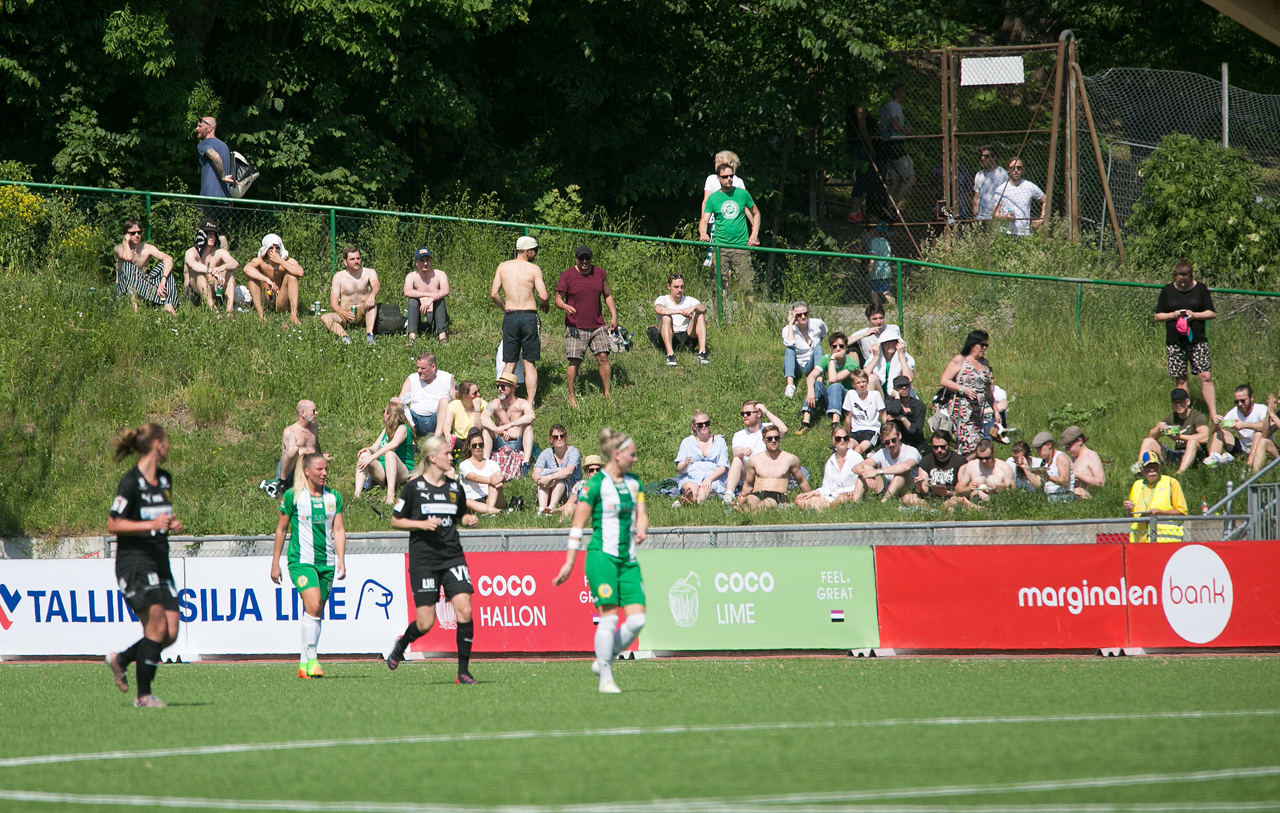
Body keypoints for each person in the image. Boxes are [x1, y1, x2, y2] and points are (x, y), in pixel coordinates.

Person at [553, 427, 648, 693]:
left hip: (628, 561)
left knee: (637, 621)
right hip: (602, 558)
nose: (635, 459)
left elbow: (641, 513)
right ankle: (606, 678)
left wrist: (642, 527)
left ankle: (604, 657)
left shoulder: (635, 483)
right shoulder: (595, 485)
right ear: (617, 455)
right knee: (608, 620)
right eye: (632, 454)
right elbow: (577, 525)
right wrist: (569, 562)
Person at [386, 435, 480, 684]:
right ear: (432, 458)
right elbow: (395, 521)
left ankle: (463, 672)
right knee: (426, 622)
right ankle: (402, 644)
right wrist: (421, 524)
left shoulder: (454, 487)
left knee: (465, 609)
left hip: (453, 557)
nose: (451, 456)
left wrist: (467, 519)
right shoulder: (413, 488)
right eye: (446, 453)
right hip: (424, 561)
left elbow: (460, 515)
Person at [105, 423, 182, 707]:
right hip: (135, 562)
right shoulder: (131, 482)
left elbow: (159, 517)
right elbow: (114, 523)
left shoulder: (165, 479)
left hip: (161, 562)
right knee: (156, 628)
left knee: (169, 633)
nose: (169, 447)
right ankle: (143, 695)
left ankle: (122, 659)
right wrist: (150, 524)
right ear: (157, 444)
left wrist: (170, 524)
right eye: (167, 442)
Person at [271, 453, 346, 679]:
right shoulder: (293, 496)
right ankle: (313, 661)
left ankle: (303, 664)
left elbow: (339, 529)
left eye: (325, 469)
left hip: (327, 562)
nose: (324, 473)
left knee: (316, 611)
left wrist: (341, 559)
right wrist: (275, 562)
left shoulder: (333, 497)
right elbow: (281, 529)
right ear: (306, 471)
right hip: (301, 561)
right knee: (313, 604)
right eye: (319, 469)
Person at [1155, 260, 1218, 422]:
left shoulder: (1201, 289)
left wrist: (1194, 315)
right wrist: (1173, 315)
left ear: (1191, 277)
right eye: (1180, 282)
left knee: (1205, 375)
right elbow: (1157, 316)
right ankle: (1184, 417)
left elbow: (1212, 313)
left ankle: (1213, 414)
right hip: (1175, 342)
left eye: (1186, 281)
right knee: (1181, 379)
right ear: (1174, 277)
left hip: (1197, 341)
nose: (1183, 285)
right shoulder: (1167, 290)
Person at [556, 245, 618, 407]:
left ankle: (608, 393)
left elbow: (608, 295)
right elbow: (558, 299)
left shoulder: (600, 273)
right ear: (576, 259)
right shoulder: (567, 275)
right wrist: (565, 306)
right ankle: (571, 396)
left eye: (587, 258)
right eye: (581, 258)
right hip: (575, 326)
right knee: (575, 361)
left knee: (603, 357)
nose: (584, 261)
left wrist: (614, 316)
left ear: (591, 258)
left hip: (597, 324)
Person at [491, 235, 550, 405]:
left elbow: (494, 294)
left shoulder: (503, 267)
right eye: (535, 251)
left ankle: (503, 401)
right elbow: (544, 295)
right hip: (529, 316)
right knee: (529, 362)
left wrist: (505, 308)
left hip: (511, 317)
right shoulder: (534, 269)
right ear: (527, 251)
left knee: (510, 362)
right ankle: (530, 402)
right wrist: (544, 304)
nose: (536, 254)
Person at [699, 162, 761, 300]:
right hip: (720, 247)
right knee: (717, 286)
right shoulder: (713, 198)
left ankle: (747, 315)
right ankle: (718, 314)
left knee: (746, 285)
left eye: (731, 176)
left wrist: (754, 234)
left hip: (741, 247)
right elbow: (704, 220)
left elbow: (756, 213)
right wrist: (703, 233)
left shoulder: (742, 194)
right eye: (725, 176)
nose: (729, 179)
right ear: (718, 178)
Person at [940, 329, 993, 456]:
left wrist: (995, 410)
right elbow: (944, 380)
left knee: (979, 441)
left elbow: (988, 391)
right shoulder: (960, 360)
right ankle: (962, 465)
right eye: (981, 345)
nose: (984, 348)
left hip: (978, 413)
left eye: (986, 345)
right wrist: (963, 389)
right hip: (963, 413)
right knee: (968, 444)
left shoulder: (984, 363)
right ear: (972, 344)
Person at [724, 400, 788, 503]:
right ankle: (729, 494)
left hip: (766, 473)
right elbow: (736, 452)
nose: (745, 416)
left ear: (758, 414)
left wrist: (765, 411)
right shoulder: (739, 435)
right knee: (736, 460)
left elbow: (784, 430)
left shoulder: (768, 430)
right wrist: (742, 452)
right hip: (747, 474)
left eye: (748, 413)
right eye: (743, 414)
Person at [354, 397, 415, 505]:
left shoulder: (403, 428)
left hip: (402, 472)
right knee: (364, 455)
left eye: (384, 412)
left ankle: (390, 495)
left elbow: (393, 445)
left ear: (389, 415)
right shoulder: (387, 429)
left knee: (389, 454)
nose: (383, 414)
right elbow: (375, 447)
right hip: (384, 472)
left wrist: (372, 457)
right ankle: (357, 495)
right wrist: (368, 450)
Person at [1137, 388, 1210, 475]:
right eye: (1175, 402)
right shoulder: (1172, 417)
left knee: (1192, 442)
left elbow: (1205, 437)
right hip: (1178, 453)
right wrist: (1158, 428)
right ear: (1172, 405)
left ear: (1188, 402)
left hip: (1197, 454)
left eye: (1181, 402)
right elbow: (1151, 436)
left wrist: (1180, 437)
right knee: (1148, 441)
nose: (1178, 405)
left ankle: (1180, 474)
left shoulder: (1197, 416)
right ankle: (1140, 470)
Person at [737, 425, 809, 512]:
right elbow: (748, 484)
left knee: (767, 503)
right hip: (758, 493)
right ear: (764, 441)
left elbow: (801, 482)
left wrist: (811, 498)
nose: (773, 441)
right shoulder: (754, 460)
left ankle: (746, 512)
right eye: (769, 438)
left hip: (777, 495)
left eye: (776, 438)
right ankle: (746, 509)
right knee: (750, 499)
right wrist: (743, 496)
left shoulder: (790, 459)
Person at [114, 220, 178, 315]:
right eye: (133, 233)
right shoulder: (119, 249)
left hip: (143, 287)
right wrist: (126, 243)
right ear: (126, 234)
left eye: (139, 232)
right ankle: (134, 308)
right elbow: (128, 258)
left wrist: (163, 279)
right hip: (124, 288)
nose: (137, 235)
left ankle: (168, 303)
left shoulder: (147, 248)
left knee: (164, 265)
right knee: (128, 265)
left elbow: (168, 259)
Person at [320, 246, 380, 346]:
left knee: (371, 303)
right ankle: (345, 337)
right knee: (325, 317)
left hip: (363, 311)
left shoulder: (369, 272)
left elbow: (376, 285)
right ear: (345, 262)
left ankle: (369, 335)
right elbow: (333, 303)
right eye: (352, 259)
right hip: (345, 313)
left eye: (358, 258)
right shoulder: (339, 277)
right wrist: (344, 312)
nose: (356, 261)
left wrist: (372, 295)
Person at [801, 331, 860, 433]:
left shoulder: (852, 364)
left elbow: (833, 379)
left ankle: (835, 423)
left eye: (841, 346)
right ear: (830, 348)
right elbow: (811, 376)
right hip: (831, 397)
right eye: (834, 346)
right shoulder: (825, 359)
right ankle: (805, 423)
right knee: (816, 384)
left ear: (846, 347)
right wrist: (810, 390)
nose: (838, 349)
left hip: (846, 399)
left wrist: (832, 359)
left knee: (835, 385)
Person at [1125, 451, 1188, 543]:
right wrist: (1129, 509)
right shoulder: (1137, 485)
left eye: (1155, 467)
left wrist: (1160, 512)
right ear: (1141, 469)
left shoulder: (1171, 482)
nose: (1152, 470)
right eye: (1148, 467)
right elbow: (1130, 516)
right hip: (1140, 541)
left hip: (1166, 540)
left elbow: (1182, 511)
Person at [1211, 384, 1277, 471]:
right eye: (1237, 402)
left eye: (1243, 401)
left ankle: (1248, 469)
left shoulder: (1261, 409)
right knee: (1219, 433)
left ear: (1251, 398)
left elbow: (1265, 427)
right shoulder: (1235, 411)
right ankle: (1212, 463)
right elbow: (1214, 430)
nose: (1240, 404)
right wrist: (1216, 424)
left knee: (1258, 433)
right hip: (1245, 448)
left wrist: (1244, 425)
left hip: (1262, 447)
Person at [796, 427, 865, 510]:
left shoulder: (856, 458)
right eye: (838, 438)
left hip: (849, 496)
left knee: (841, 500)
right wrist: (813, 493)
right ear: (833, 441)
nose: (842, 440)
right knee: (800, 499)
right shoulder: (830, 461)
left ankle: (822, 510)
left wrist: (851, 492)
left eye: (845, 438)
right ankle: (826, 509)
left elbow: (862, 482)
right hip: (832, 497)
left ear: (848, 440)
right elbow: (827, 488)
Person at [700, 150, 749, 267]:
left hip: (717, 223)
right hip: (731, 224)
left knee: (718, 257)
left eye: (716, 161)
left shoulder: (713, 179)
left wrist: (703, 223)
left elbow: (705, 201)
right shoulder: (738, 181)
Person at [242, 233, 304, 325]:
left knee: (292, 275)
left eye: (277, 247)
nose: (274, 250)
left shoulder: (287, 261)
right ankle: (261, 315)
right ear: (266, 249)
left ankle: (294, 316)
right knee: (252, 277)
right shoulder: (260, 261)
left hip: (280, 300)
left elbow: (300, 272)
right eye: (271, 248)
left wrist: (280, 261)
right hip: (265, 298)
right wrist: (266, 279)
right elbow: (247, 269)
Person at [481, 372, 536, 471]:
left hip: (518, 441)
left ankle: (525, 463)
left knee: (528, 426)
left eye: (503, 386)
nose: (499, 389)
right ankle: (485, 462)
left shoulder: (522, 403)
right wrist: (497, 429)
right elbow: (483, 417)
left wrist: (509, 425)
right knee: (486, 429)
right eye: (498, 386)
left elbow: (531, 416)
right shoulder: (495, 403)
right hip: (499, 440)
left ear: (513, 388)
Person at [650, 274, 709, 365]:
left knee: (699, 315)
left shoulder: (689, 300)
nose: (679, 290)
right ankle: (670, 355)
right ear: (669, 287)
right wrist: (679, 312)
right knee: (666, 317)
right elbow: (659, 309)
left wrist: (694, 308)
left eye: (682, 287)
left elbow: (703, 309)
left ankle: (702, 353)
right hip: (670, 336)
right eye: (676, 287)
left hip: (686, 335)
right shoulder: (662, 299)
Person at [182, 219, 239, 314]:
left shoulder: (219, 252)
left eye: (214, 234)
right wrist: (212, 271)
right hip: (194, 293)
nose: (212, 237)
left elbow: (234, 263)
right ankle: (214, 311)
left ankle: (229, 311)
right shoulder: (192, 252)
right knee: (200, 275)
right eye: (209, 234)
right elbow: (193, 264)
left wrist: (222, 267)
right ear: (201, 235)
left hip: (214, 289)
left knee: (230, 273)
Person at [855, 421, 921, 502]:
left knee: (901, 472)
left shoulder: (910, 451)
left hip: (908, 489)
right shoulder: (883, 452)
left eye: (893, 440)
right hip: (889, 488)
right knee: (866, 468)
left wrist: (877, 472)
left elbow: (906, 466)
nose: (891, 444)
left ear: (899, 435)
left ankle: (885, 502)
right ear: (882, 441)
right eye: (887, 442)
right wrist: (866, 475)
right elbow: (856, 467)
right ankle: (855, 503)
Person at [906, 429, 971, 509]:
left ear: (949, 445)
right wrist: (918, 485)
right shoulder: (926, 461)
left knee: (957, 500)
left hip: (950, 497)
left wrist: (947, 493)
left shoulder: (960, 461)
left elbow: (962, 491)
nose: (939, 450)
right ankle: (931, 509)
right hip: (930, 499)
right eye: (935, 447)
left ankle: (936, 509)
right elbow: (924, 492)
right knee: (907, 498)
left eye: (942, 447)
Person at [674, 410, 729, 504]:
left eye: (706, 423)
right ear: (694, 427)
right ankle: (692, 497)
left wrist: (709, 479)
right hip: (692, 476)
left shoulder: (719, 441)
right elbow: (680, 470)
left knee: (704, 490)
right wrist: (685, 464)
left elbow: (722, 467)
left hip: (713, 477)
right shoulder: (687, 442)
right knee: (690, 486)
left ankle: (694, 501)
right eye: (700, 425)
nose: (704, 426)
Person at [399, 352, 454, 438]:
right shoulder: (412, 379)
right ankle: (406, 439)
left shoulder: (447, 379)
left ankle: (436, 439)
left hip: (437, 419)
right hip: (414, 420)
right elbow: (399, 401)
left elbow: (458, 402)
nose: (419, 371)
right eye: (418, 367)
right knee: (396, 408)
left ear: (433, 367)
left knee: (444, 401)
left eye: (423, 368)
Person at [879, 83, 914, 215]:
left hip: (886, 145)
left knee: (895, 180)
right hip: (895, 145)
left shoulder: (885, 107)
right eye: (903, 92)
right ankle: (893, 207)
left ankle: (887, 208)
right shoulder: (895, 106)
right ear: (899, 93)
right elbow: (894, 124)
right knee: (911, 178)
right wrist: (906, 131)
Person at [781, 301, 828, 400]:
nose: (803, 317)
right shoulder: (788, 329)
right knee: (789, 350)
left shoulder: (817, 323)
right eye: (799, 315)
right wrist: (791, 323)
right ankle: (790, 385)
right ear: (793, 315)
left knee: (818, 348)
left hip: (811, 365)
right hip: (796, 366)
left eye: (805, 314)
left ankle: (819, 381)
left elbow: (824, 333)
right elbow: (789, 343)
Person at [846, 101, 883, 223]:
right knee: (863, 177)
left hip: (858, 146)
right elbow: (862, 127)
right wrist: (870, 147)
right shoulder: (859, 105)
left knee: (870, 177)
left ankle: (856, 209)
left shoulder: (855, 105)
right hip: (861, 147)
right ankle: (853, 211)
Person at [533, 425, 582, 515]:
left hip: (570, 492)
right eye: (555, 437)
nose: (559, 439)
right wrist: (541, 480)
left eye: (562, 436)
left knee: (559, 481)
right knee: (542, 480)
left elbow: (569, 471)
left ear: (566, 438)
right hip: (549, 488)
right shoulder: (546, 453)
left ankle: (551, 509)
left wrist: (550, 477)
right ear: (550, 440)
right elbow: (535, 473)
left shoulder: (573, 452)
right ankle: (542, 509)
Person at [404, 247, 449, 344]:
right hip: (420, 317)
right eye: (422, 260)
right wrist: (427, 294)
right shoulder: (411, 276)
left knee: (440, 300)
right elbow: (407, 292)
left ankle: (442, 337)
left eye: (427, 260)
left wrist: (430, 299)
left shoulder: (440, 274)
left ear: (431, 261)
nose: (425, 263)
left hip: (436, 317)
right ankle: (412, 337)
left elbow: (445, 290)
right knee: (412, 300)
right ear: (416, 262)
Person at [278, 400, 326, 493]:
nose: (316, 413)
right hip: (291, 469)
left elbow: (315, 445)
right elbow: (290, 453)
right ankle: (282, 483)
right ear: (303, 413)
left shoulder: (314, 426)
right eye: (313, 411)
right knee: (293, 449)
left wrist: (321, 457)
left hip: (309, 467)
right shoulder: (290, 431)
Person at [458, 428, 507, 515]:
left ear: (483, 445)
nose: (477, 447)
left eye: (480, 445)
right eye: (474, 445)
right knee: (466, 501)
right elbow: (474, 477)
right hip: (472, 499)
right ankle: (496, 511)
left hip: (490, 497)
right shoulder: (464, 464)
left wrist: (500, 478)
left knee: (497, 484)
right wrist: (493, 480)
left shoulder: (491, 463)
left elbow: (499, 474)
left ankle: (489, 511)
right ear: (469, 447)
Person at [992, 158, 1044, 236]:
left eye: (1019, 168)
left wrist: (1041, 219)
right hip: (1006, 232)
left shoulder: (1029, 186)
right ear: (1008, 170)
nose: (1016, 170)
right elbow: (995, 214)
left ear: (1023, 170)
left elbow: (1046, 200)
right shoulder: (1001, 189)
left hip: (1024, 232)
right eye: (1012, 168)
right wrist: (1005, 217)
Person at [956, 438, 1014, 503]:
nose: (984, 461)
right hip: (975, 502)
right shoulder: (972, 466)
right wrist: (968, 488)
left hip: (997, 502)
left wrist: (999, 490)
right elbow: (958, 489)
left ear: (993, 452)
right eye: (980, 458)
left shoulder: (1004, 468)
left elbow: (1012, 493)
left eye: (987, 458)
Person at [842, 369, 886, 455]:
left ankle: (857, 461)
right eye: (858, 383)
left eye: (863, 382)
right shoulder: (850, 394)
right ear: (853, 385)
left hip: (871, 430)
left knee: (858, 449)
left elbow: (883, 414)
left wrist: (886, 434)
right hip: (855, 430)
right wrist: (847, 434)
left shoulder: (875, 395)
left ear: (867, 382)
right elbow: (848, 417)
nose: (861, 385)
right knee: (848, 447)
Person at [866, 325, 915, 400]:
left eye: (893, 342)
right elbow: (863, 376)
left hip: (896, 390)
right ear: (882, 345)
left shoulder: (906, 358)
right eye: (887, 343)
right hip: (879, 391)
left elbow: (908, 379)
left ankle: (897, 404)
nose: (891, 345)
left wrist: (901, 356)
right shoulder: (874, 357)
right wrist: (876, 357)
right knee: (872, 378)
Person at [1060, 425, 1105, 499]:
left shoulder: (1091, 455)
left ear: (1079, 441)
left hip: (1089, 499)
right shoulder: (1073, 458)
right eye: (1065, 448)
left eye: (1069, 446)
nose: (1067, 450)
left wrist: (1077, 475)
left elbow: (1100, 483)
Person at [1032, 430, 1076, 502]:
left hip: (1064, 496)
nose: (1038, 452)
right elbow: (1037, 485)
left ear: (1049, 445)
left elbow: (1065, 482)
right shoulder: (1044, 462)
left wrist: (1047, 477)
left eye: (1039, 448)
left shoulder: (1060, 457)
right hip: (1050, 497)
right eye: (1036, 449)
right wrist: (1026, 468)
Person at [885, 375, 927, 452]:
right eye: (900, 386)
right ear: (895, 389)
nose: (904, 388)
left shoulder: (919, 406)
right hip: (896, 443)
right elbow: (895, 411)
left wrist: (902, 418)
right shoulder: (890, 402)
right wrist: (897, 397)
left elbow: (915, 431)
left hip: (915, 442)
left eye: (906, 385)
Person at [195, 116, 233, 199]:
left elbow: (215, 156)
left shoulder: (204, 144)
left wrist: (223, 176)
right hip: (224, 198)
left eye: (200, 126)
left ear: (209, 129)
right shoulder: (224, 146)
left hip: (209, 196)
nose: (197, 129)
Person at [444, 381, 486, 456]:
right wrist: (447, 433)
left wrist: (477, 409)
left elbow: (478, 429)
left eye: (478, 391)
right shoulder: (455, 405)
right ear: (465, 396)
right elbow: (447, 423)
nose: (478, 395)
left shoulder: (483, 405)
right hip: (460, 441)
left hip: (476, 440)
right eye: (474, 393)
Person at [971, 146, 1009, 227]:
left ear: (994, 158)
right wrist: (975, 215)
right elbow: (976, 197)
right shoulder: (979, 175)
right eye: (982, 156)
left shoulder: (1002, 174)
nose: (982, 159)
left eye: (986, 156)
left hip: (995, 217)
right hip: (980, 217)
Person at [850, 300, 887, 366]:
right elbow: (844, 342)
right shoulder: (865, 332)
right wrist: (865, 335)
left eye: (881, 318)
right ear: (869, 320)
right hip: (868, 363)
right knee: (851, 346)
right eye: (874, 319)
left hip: (887, 361)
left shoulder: (892, 329)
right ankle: (855, 370)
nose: (878, 322)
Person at [866, 222, 894, 303]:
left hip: (876, 270)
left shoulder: (874, 242)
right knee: (885, 289)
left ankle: (875, 304)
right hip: (886, 269)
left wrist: (870, 265)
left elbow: (873, 255)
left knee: (873, 289)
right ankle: (891, 301)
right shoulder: (886, 242)